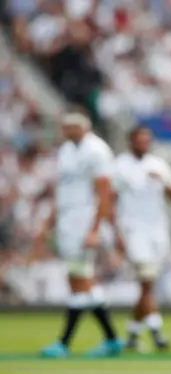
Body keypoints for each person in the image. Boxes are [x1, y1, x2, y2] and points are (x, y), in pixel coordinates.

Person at [39, 112, 124, 358]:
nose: (69, 130)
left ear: (84, 126)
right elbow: (62, 191)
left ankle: (65, 342)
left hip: (84, 221)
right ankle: (111, 339)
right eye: (66, 126)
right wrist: (48, 222)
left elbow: (104, 193)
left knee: (80, 279)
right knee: (78, 280)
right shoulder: (66, 151)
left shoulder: (97, 151)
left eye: (73, 126)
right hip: (68, 221)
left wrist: (95, 229)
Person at [111, 126, 171, 352]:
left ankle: (132, 333)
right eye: (139, 141)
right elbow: (111, 200)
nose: (143, 144)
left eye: (146, 141)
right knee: (147, 281)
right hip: (133, 229)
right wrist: (115, 233)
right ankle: (157, 333)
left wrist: (165, 182)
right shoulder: (120, 166)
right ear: (131, 141)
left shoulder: (158, 165)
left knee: (147, 285)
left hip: (158, 230)